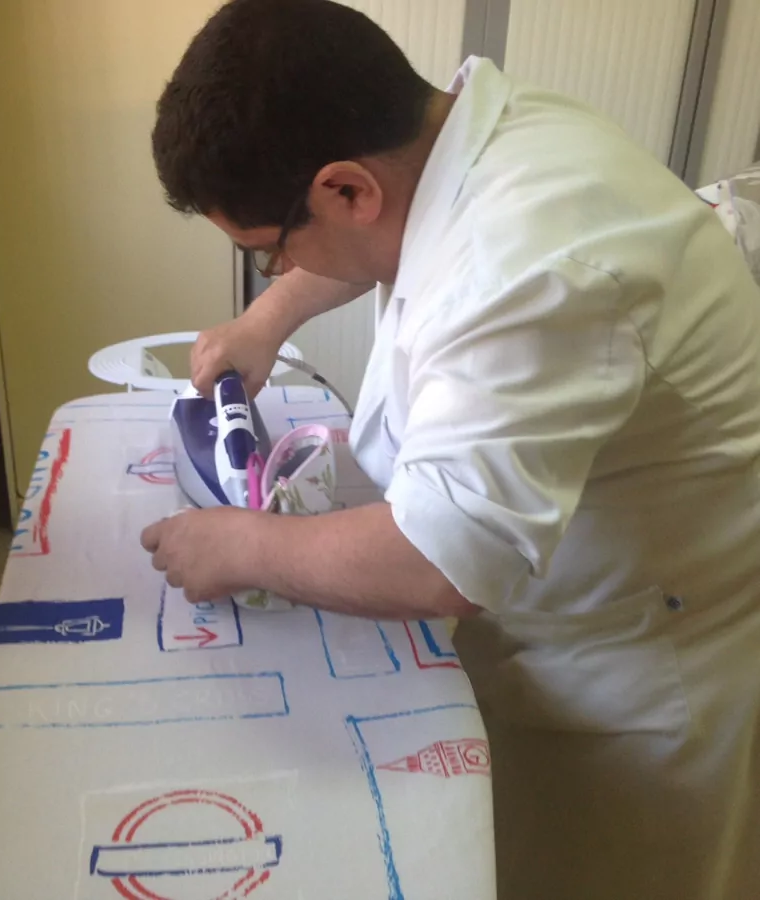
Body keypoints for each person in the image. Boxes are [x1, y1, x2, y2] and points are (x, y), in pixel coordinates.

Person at [140, 1, 760, 897]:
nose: (278, 270)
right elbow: (401, 229)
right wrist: (265, 319)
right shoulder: (457, 132)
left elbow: (440, 560)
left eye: (269, 253)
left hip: (640, 667)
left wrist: (239, 545)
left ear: (345, 191)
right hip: (575, 591)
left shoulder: (530, 266)